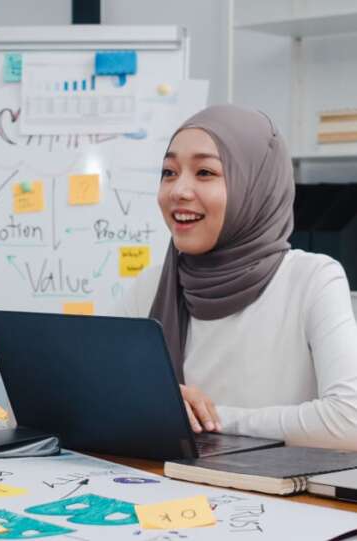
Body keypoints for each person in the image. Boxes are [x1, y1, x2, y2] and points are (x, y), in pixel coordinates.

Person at [117, 104, 357, 450]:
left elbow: (349, 421)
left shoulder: (312, 278)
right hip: (169, 494)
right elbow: (96, 394)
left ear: (255, 186)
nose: (178, 190)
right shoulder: (151, 286)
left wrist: (207, 418)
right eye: (169, 172)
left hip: (277, 499)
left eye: (205, 173)